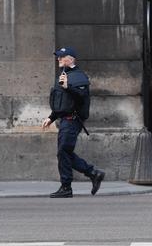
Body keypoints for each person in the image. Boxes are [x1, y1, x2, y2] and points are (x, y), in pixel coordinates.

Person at [41, 47, 105, 198]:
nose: (58, 59)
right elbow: (62, 102)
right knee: (65, 152)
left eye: (61, 57)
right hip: (64, 120)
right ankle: (93, 173)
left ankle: (67, 187)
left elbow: (81, 96)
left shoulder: (78, 76)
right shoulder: (64, 75)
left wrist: (67, 87)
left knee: (63, 151)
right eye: (58, 57)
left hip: (73, 120)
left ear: (70, 59)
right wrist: (51, 117)